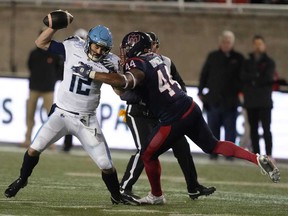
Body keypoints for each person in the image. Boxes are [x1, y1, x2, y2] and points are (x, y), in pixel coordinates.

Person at [71, 31, 280, 205]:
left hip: (172, 117)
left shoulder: (138, 64)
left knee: (147, 154)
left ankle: (156, 195)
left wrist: (92, 74)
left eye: (127, 47)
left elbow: (128, 84)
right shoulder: (158, 58)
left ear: (135, 47)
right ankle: (255, 158)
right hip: (190, 106)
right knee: (213, 145)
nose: (124, 51)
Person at [4, 24, 138, 205]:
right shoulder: (72, 46)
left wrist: (112, 77)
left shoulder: (111, 62)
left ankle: (116, 195)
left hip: (86, 119)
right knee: (34, 148)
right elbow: (41, 43)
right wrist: (53, 27)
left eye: (103, 48)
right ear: (88, 42)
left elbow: (121, 93)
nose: (98, 51)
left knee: (106, 165)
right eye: (96, 46)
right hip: (61, 114)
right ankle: (22, 179)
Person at [119, 31, 216, 200]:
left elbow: (181, 86)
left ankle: (193, 187)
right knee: (145, 150)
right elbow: (127, 94)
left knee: (182, 147)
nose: (151, 48)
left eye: (154, 45)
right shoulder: (134, 63)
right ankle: (124, 187)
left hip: (162, 114)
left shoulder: (165, 62)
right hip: (139, 112)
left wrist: (173, 100)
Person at [198, 30, 244, 160]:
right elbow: (204, 75)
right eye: (224, 41)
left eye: (228, 42)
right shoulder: (212, 56)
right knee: (212, 130)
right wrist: (200, 92)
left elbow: (243, 79)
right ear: (220, 42)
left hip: (231, 102)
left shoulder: (239, 58)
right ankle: (213, 154)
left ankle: (230, 155)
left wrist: (241, 94)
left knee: (230, 131)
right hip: (214, 101)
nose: (226, 44)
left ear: (232, 43)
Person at [22, 28, 63, 148]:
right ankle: (27, 139)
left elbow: (59, 70)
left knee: (51, 117)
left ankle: (51, 143)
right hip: (34, 88)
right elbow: (30, 66)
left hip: (48, 90)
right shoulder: (33, 54)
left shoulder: (55, 55)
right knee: (29, 115)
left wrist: (52, 80)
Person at [240, 35, 275, 158]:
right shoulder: (247, 62)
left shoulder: (269, 62)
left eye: (260, 44)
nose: (257, 46)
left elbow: (267, 78)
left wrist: (253, 79)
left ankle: (269, 155)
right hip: (251, 101)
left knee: (266, 129)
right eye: (255, 44)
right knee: (253, 129)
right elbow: (243, 77)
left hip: (264, 101)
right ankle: (257, 155)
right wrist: (256, 77)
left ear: (264, 45)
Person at [62, 28, 88, 153]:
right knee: (66, 118)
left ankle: (92, 147)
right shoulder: (69, 51)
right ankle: (67, 145)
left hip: (85, 96)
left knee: (87, 122)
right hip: (70, 92)